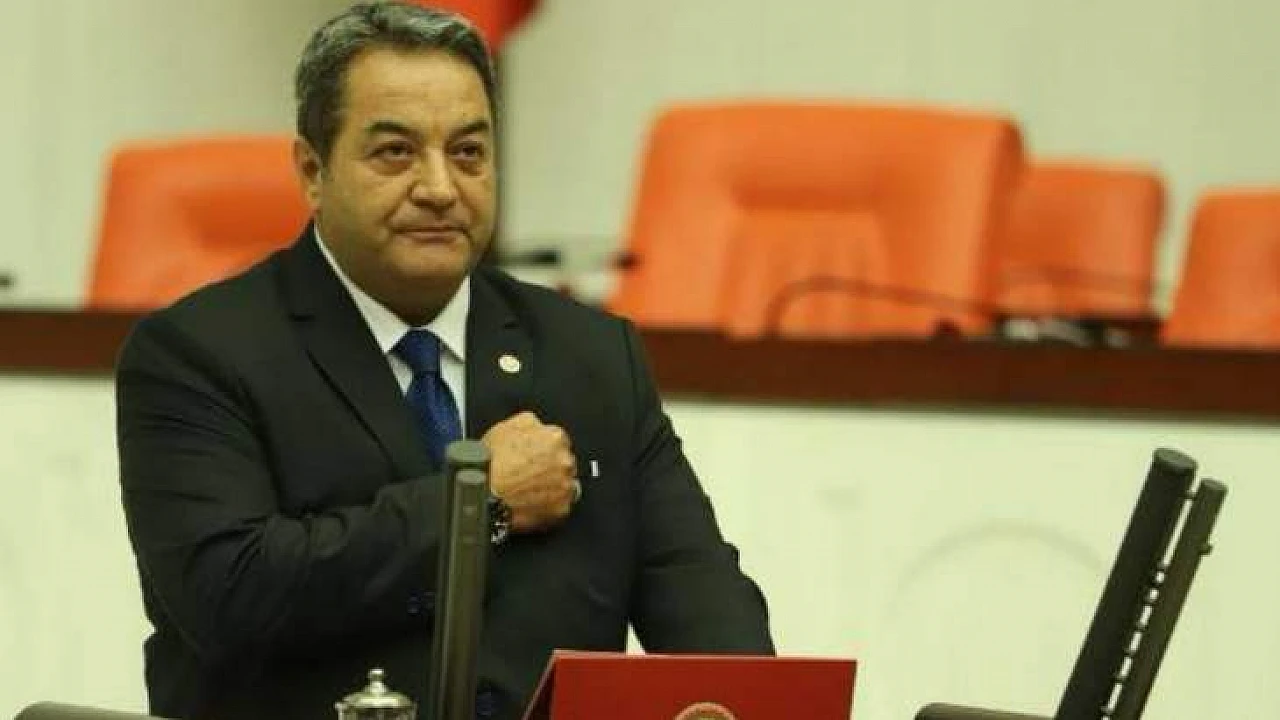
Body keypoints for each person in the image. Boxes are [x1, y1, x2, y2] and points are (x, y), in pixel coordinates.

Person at [115, 3, 773, 719]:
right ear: (312, 170)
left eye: (467, 153)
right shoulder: (199, 354)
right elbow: (229, 596)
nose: (439, 188)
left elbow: (702, 601)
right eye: (396, 153)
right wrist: (479, 506)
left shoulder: (592, 355)